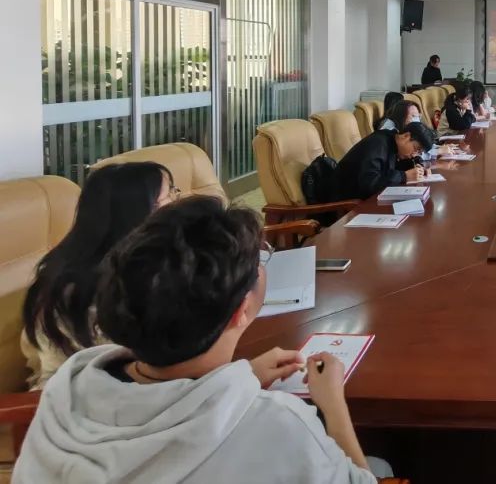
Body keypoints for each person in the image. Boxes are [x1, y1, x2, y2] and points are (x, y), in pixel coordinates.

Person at [13, 197, 392, 484]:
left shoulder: (66, 388)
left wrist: (242, 376)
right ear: (240, 310)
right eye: (258, 263)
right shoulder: (281, 426)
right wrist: (333, 405)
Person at [20, 161, 177, 390]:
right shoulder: (76, 293)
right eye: (168, 196)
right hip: (82, 399)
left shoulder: (152, 262)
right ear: (135, 215)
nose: (177, 202)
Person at [334, 121, 435, 199]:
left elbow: (391, 167)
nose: (414, 154)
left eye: (419, 152)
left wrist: (417, 167)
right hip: (347, 202)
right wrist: (404, 176)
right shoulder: (378, 144)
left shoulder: (393, 142)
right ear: (406, 136)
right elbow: (369, 184)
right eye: (416, 149)